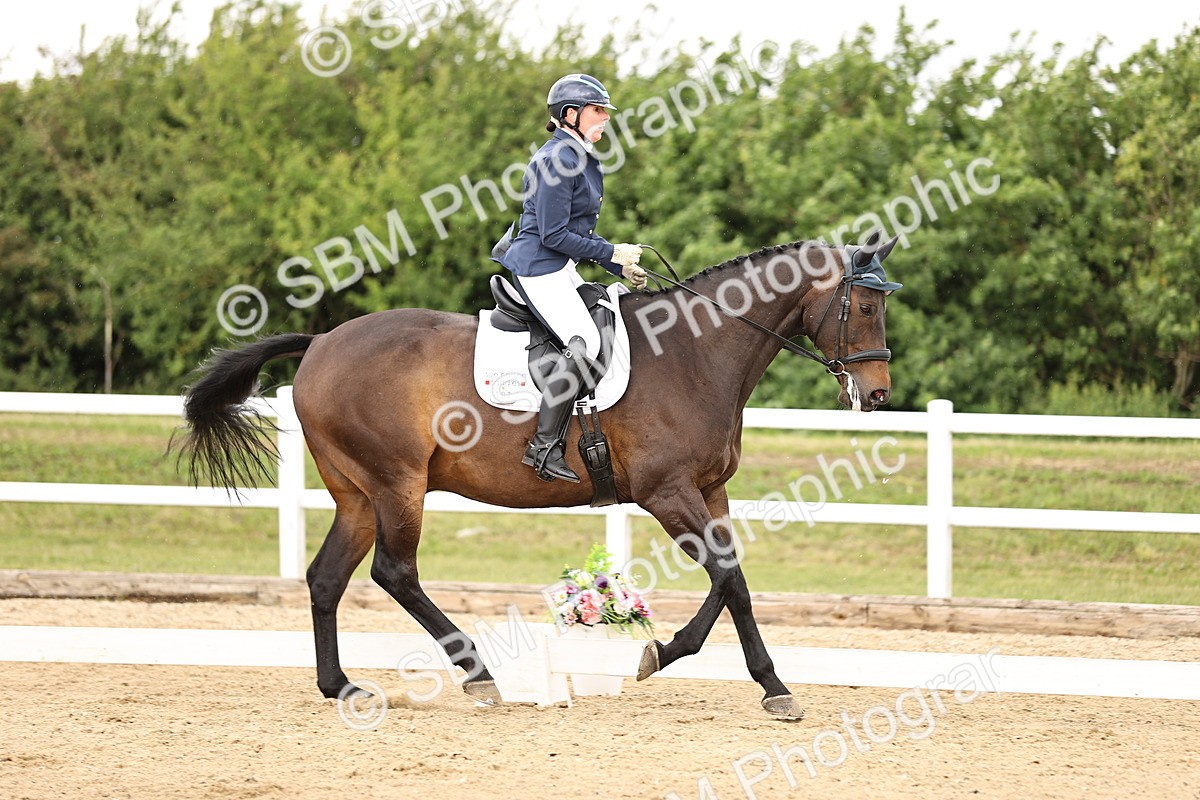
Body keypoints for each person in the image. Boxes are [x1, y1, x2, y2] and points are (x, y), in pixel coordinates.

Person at [494, 73, 647, 483]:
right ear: (571, 114)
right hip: (538, 268)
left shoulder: (576, 155)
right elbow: (554, 235)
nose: (605, 119)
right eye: (598, 111)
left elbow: (578, 232)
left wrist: (620, 266)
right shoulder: (554, 160)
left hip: (558, 267)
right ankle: (543, 448)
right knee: (586, 343)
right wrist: (611, 252)